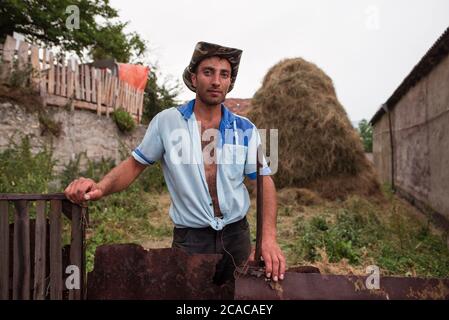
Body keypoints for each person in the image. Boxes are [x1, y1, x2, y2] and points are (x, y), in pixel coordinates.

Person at [64, 42, 285, 285]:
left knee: (239, 297)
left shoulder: (245, 129)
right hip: (191, 239)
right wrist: (101, 186)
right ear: (194, 77)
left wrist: (268, 238)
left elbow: (264, 181)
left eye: (224, 74)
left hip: (236, 236)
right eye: (208, 72)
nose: (216, 81)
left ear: (229, 82)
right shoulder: (167, 122)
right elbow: (135, 164)